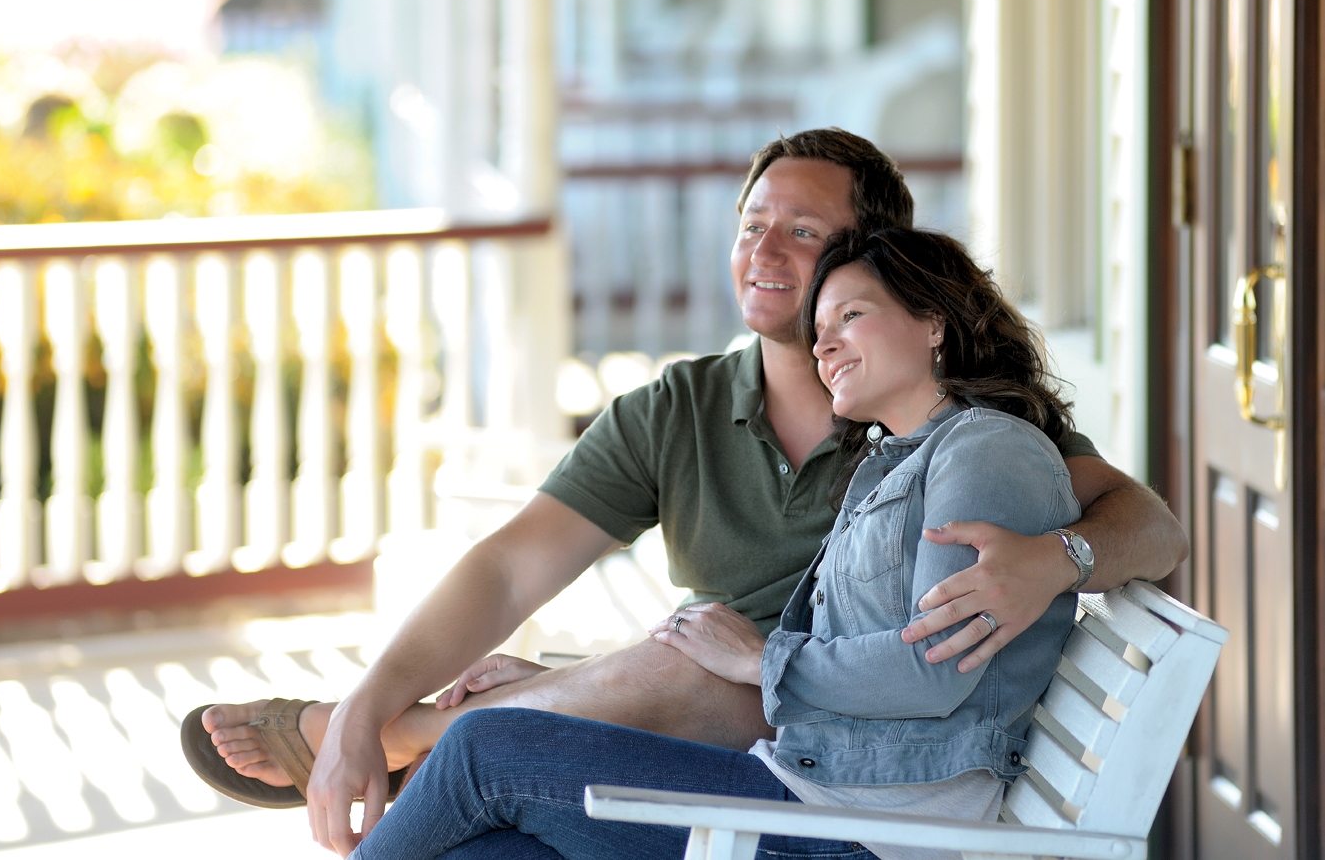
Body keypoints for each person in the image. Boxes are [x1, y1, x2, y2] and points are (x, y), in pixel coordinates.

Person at [191, 129, 1188, 857]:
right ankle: (406, 727)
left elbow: (1146, 522)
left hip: (818, 763)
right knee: (499, 823)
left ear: (871, 261)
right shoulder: (682, 408)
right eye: (751, 224)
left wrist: (1059, 560)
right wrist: (373, 698)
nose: (763, 254)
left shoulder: (945, 434)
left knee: (621, 684)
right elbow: (507, 568)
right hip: (742, 749)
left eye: (802, 232)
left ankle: (422, 737)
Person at [345, 225, 1086, 860]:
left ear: (933, 322)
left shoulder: (985, 452)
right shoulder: (894, 460)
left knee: (483, 748)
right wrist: (553, 679)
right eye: (819, 327)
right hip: (818, 790)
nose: (823, 343)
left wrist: (760, 658)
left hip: (865, 828)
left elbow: (933, 671)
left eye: (851, 315)